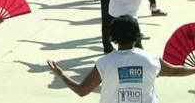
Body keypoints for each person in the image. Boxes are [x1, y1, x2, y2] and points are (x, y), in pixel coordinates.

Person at [47, 15, 195, 102]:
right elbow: (176, 71)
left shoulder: (104, 63)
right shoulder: (151, 59)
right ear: (137, 35)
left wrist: (62, 75)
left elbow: (82, 90)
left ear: (113, 38)